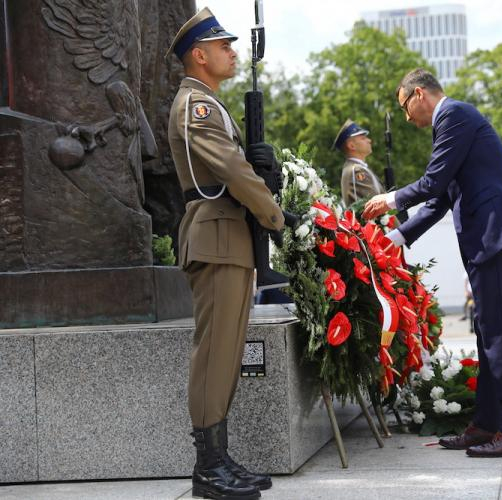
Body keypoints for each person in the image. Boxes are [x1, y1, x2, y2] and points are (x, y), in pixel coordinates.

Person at [363, 68, 502, 458]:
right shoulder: (452, 123)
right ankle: (488, 425)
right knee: (487, 333)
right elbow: (441, 198)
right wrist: (396, 238)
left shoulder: (454, 116)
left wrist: (390, 201)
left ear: (419, 94)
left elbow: (432, 182)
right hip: (491, 238)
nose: (407, 117)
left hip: (497, 234)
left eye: (405, 107)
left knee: (498, 336)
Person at [166, 8, 284, 499]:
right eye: (223, 46)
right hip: (216, 237)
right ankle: (208, 468)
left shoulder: (211, 103)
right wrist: (275, 214)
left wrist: (266, 174)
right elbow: (232, 172)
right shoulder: (197, 105)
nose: (233, 52)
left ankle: (219, 458)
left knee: (227, 355)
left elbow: (238, 168)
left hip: (227, 237)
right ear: (200, 55)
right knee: (215, 355)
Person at [333, 119, 385, 207]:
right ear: (351, 146)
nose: (369, 140)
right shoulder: (356, 170)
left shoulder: (358, 168)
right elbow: (377, 206)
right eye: (363, 138)